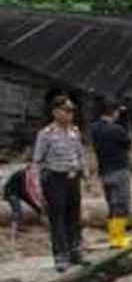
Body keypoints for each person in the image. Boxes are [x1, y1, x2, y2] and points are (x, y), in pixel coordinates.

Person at [33, 92, 88, 272]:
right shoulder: (46, 134)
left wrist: (85, 175)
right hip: (55, 179)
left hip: (73, 178)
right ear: (56, 112)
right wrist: (37, 186)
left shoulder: (74, 131)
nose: (70, 114)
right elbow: (38, 161)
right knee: (58, 218)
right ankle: (61, 256)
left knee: (74, 215)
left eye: (72, 110)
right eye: (66, 110)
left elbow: (80, 153)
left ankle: (75, 251)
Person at [90, 102, 131, 249]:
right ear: (114, 112)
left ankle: (112, 237)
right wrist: (124, 120)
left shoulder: (94, 129)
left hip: (104, 172)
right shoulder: (117, 129)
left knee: (111, 205)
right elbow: (128, 143)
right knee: (122, 204)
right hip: (119, 170)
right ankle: (119, 238)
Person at [2, 165, 43, 232]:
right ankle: (17, 225)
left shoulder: (28, 175)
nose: (34, 174)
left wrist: (37, 206)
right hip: (11, 193)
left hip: (19, 193)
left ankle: (38, 215)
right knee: (17, 208)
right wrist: (32, 199)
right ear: (29, 170)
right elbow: (26, 191)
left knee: (34, 206)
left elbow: (31, 190)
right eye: (33, 172)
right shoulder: (21, 174)